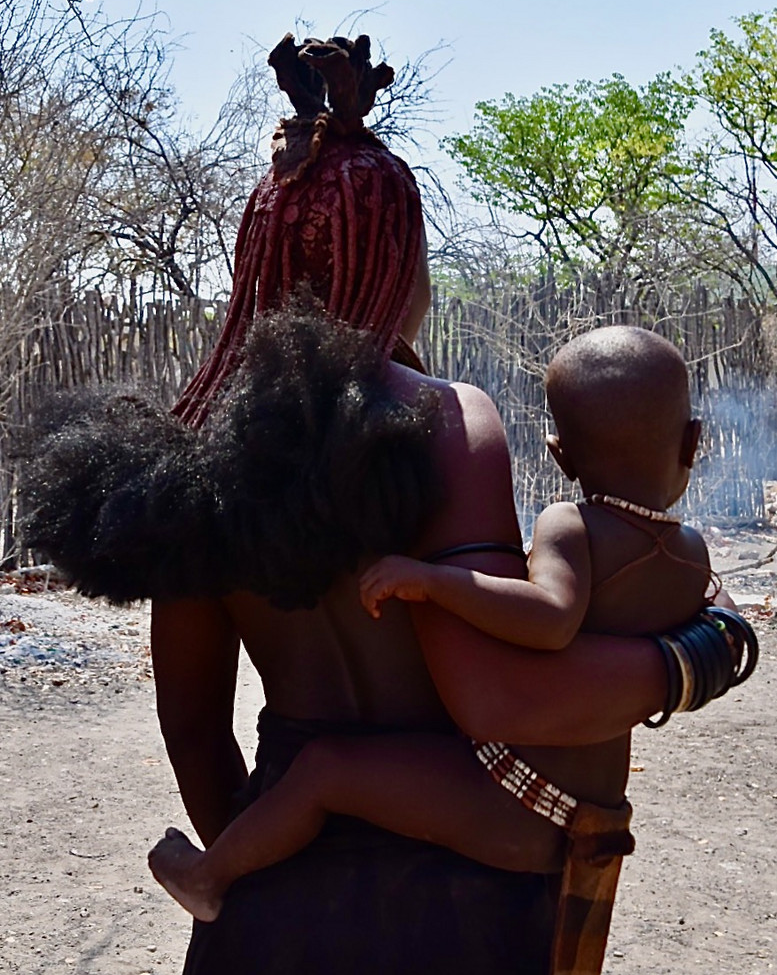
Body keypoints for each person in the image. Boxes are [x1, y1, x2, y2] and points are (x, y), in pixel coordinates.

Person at [20, 34, 755, 975]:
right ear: (397, 261)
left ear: (259, 255)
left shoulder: (192, 452)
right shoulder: (449, 423)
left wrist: (267, 863)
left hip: (271, 889)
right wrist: (702, 652)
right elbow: (496, 695)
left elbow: (194, 729)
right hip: (460, 901)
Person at [145, 325, 715, 920]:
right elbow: (698, 632)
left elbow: (549, 622)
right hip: (587, 806)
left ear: (559, 455)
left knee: (326, 768)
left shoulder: (568, 525)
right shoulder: (693, 552)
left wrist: (436, 582)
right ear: (694, 441)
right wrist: (711, 655)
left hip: (520, 797)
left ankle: (210, 876)